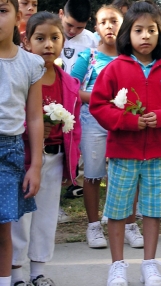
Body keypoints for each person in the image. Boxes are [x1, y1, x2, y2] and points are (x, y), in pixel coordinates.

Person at [89, 2, 161, 285]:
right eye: (138, 30)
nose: (145, 36)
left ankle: (150, 265)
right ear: (127, 33)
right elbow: (98, 105)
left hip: (157, 154)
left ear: (160, 34)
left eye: (151, 30)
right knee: (118, 211)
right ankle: (117, 266)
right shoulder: (115, 68)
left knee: (153, 210)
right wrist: (128, 121)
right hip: (122, 154)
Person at [10, 11, 81, 286]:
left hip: (55, 158)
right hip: (25, 159)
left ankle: (37, 271)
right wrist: (34, 132)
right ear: (27, 41)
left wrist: (71, 161)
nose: (48, 45)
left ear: (63, 41)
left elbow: (75, 126)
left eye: (55, 38)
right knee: (21, 217)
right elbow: (14, 115)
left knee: (46, 216)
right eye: (41, 38)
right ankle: (15, 273)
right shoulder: (23, 75)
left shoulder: (69, 83)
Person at [70, 5, 144, 250]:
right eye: (104, 22)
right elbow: (72, 89)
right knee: (93, 175)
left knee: (127, 174)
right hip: (94, 124)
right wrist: (102, 99)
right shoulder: (88, 58)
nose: (109, 26)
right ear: (97, 27)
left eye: (114, 21)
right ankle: (93, 226)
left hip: (126, 124)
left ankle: (129, 225)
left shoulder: (133, 58)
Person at [0, 1, 44, 285]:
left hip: (9, 151)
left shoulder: (30, 63)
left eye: (2, 10)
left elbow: (36, 117)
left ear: (19, 18)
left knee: (3, 229)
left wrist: (36, 165)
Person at [58, 0, 98, 206]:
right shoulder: (50, 33)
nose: (73, 31)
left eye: (79, 27)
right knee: (55, 153)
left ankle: (73, 185)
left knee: (74, 150)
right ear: (60, 15)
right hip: (54, 100)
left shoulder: (91, 40)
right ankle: (55, 202)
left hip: (79, 104)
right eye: (69, 25)